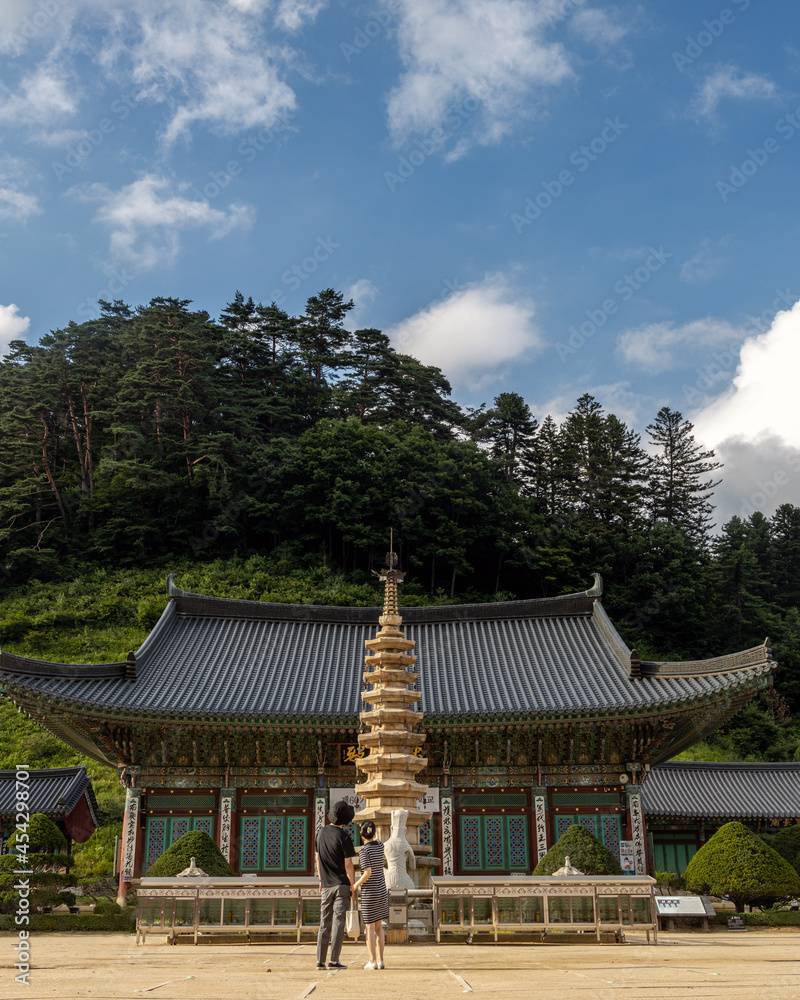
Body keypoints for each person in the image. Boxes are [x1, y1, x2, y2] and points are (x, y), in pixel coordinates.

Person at [315, 800, 357, 971]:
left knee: (324, 922)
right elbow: (349, 865)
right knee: (338, 922)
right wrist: (353, 886)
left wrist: (320, 880)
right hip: (341, 885)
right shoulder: (344, 837)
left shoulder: (320, 833)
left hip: (326, 885)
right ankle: (333, 960)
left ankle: (319, 961)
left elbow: (317, 859)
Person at [353, 819, 389, 970]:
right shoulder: (380, 846)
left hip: (370, 892)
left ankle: (372, 961)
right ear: (374, 833)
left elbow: (367, 873)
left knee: (369, 927)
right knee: (379, 927)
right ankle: (381, 961)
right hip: (381, 889)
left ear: (361, 835)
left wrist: (355, 885)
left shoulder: (364, 851)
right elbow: (378, 839)